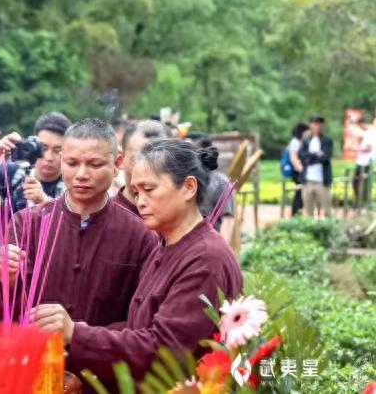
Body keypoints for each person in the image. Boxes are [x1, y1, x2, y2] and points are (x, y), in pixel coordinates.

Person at [30, 139, 243, 388]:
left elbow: (165, 352)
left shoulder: (206, 258)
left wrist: (78, 335)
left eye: (149, 190)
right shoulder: (165, 246)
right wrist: (80, 331)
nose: (140, 201)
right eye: (136, 192)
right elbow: (138, 326)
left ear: (188, 187)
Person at [0, 119, 159, 330]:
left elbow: (142, 322)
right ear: (62, 160)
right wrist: (3, 282)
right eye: (72, 164)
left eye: (95, 164)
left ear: (117, 164)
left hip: (102, 361)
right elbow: (1, 313)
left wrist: (81, 335)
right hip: (34, 354)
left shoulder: (140, 235)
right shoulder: (27, 223)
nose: (82, 174)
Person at [0, 112, 71, 212]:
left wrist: (44, 200)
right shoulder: (16, 173)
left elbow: (75, 222)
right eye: (43, 148)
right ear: (33, 145)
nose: (49, 157)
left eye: (57, 150)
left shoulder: (72, 184)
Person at [115, 120, 172, 215]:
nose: (149, 168)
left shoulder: (182, 217)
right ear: (121, 160)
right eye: (138, 159)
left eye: (159, 160)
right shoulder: (105, 218)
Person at [198, 138, 236, 244]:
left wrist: (221, 248)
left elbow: (227, 219)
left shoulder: (220, 181)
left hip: (213, 243)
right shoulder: (190, 180)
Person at [299, 116, 333, 218]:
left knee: (326, 210)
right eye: (315, 124)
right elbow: (301, 155)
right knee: (308, 210)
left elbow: (326, 157)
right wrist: (315, 155)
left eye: (319, 124)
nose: (317, 126)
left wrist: (309, 159)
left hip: (322, 181)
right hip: (308, 180)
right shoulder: (306, 140)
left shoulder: (326, 140)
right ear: (310, 125)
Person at [288, 123, 310, 215]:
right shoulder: (295, 142)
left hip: (301, 171)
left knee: (301, 193)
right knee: (299, 193)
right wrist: (302, 170)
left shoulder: (302, 141)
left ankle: (298, 212)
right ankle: (296, 213)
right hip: (298, 172)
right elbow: (293, 159)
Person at [353, 118, 376, 208]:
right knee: (356, 182)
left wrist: (359, 148)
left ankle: (364, 203)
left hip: (367, 162)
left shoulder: (373, 133)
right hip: (361, 161)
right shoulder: (369, 131)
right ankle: (359, 201)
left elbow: (369, 147)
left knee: (364, 183)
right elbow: (358, 132)